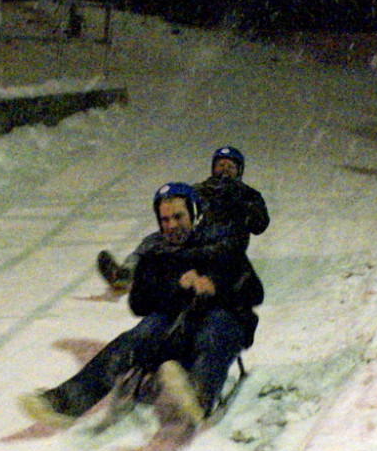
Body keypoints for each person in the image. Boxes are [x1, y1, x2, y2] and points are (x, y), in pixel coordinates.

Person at [20, 182, 264, 433]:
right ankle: (66, 402)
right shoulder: (156, 250)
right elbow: (139, 303)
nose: (171, 225)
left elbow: (254, 291)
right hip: (173, 322)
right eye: (165, 219)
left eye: (178, 217)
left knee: (214, 331)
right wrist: (176, 285)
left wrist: (216, 285)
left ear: (194, 213)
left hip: (222, 316)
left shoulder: (222, 244)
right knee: (134, 339)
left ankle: (198, 396)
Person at [98, 146, 269, 291]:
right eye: (221, 165)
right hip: (197, 236)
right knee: (155, 240)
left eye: (230, 167)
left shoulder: (249, 195)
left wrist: (241, 204)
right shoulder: (200, 189)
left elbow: (259, 226)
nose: (224, 170)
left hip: (226, 243)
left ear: (238, 171)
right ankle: (126, 273)